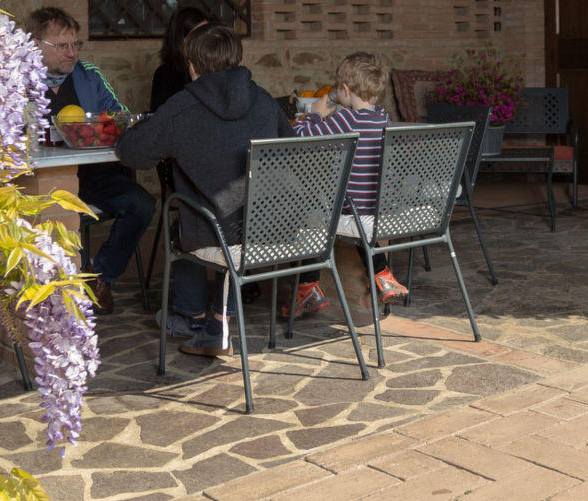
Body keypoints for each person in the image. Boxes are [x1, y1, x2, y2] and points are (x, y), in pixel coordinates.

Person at [115, 23, 286, 358]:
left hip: (213, 232)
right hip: (267, 227)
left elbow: (132, 152)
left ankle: (191, 317)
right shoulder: (264, 100)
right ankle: (218, 321)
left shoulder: (183, 106)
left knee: (182, 215)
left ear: (191, 65)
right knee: (221, 212)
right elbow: (292, 149)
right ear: (237, 58)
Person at [25, 6, 154, 315]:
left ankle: (100, 277)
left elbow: (119, 116)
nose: (72, 53)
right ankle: (55, 294)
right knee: (50, 220)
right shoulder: (16, 82)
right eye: (62, 46)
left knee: (142, 205)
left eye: (75, 44)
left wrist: (108, 128)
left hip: (95, 175)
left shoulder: (89, 76)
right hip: (39, 181)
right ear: (34, 45)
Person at [290, 52, 406, 315]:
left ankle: (307, 289)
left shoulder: (345, 120)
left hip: (351, 208)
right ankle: (382, 274)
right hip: (380, 208)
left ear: (344, 90)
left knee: (312, 220)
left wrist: (315, 115)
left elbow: (299, 135)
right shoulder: (383, 117)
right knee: (359, 229)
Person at [150, 5, 210, 112]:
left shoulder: (215, 67)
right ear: (180, 39)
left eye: (206, 34)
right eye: (197, 35)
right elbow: (160, 119)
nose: (204, 40)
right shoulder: (165, 75)